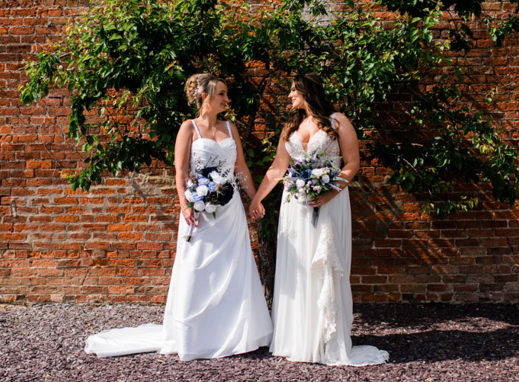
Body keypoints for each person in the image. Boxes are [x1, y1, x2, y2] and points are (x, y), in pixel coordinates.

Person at [85, 73, 273, 360]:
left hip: (230, 210)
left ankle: (233, 332)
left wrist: (254, 199)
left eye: (225, 93)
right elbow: (181, 171)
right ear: (204, 96)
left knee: (233, 268)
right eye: (221, 93)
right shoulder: (189, 128)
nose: (226, 99)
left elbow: (241, 169)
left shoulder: (230, 127)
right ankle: (195, 335)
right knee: (198, 265)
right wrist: (185, 204)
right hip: (201, 208)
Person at [249, 74, 388, 366]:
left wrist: (330, 192)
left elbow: (352, 164)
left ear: (306, 91)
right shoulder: (291, 127)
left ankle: (326, 339)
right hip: (296, 206)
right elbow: (278, 168)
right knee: (298, 267)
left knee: (325, 264)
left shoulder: (337, 122)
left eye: (292, 91)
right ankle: (298, 338)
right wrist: (258, 198)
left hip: (330, 202)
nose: (289, 96)